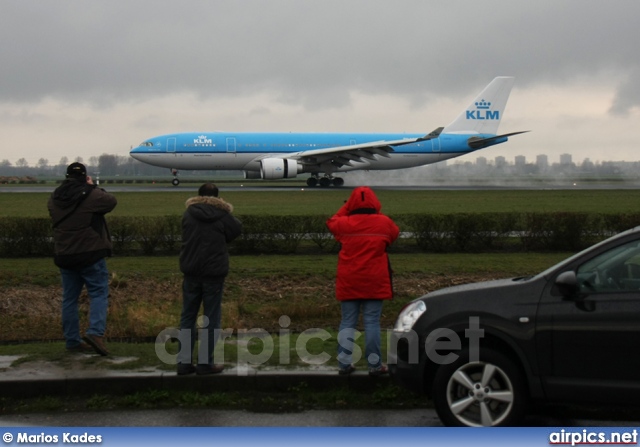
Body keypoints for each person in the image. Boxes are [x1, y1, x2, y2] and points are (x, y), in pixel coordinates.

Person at [326, 186, 400, 376]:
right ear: (375, 203)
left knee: (347, 322)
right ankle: (374, 365)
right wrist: (376, 213)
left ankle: (344, 364)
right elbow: (393, 235)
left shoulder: (344, 223)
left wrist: (347, 208)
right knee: (372, 322)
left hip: (349, 278)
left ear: (351, 204)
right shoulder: (384, 223)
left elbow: (332, 221)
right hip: (375, 279)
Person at [47, 162, 117, 356]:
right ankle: (95, 333)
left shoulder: (54, 197)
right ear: (85, 176)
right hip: (90, 253)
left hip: (64, 254)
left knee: (69, 299)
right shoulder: (91, 194)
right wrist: (92, 186)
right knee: (98, 293)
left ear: (67, 176)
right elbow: (111, 201)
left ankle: (72, 340)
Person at [177, 183, 242, 375]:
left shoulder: (189, 213)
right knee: (212, 318)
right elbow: (236, 229)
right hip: (213, 272)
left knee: (187, 316)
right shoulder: (222, 215)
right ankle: (206, 363)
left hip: (191, 270)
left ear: (198, 195)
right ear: (218, 197)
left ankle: (183, 363)